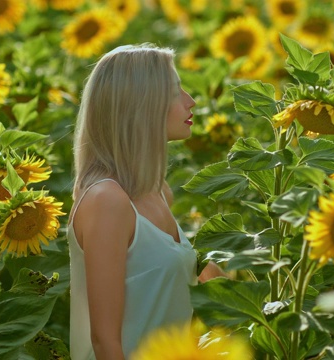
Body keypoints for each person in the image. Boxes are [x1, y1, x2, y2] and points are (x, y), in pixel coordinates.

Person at [68, 44, 225, 360]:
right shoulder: (106, 201)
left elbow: (174, 284)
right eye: (175, 91)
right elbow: (105, 343)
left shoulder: (157, 191)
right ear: (141, 105)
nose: (190, 102)